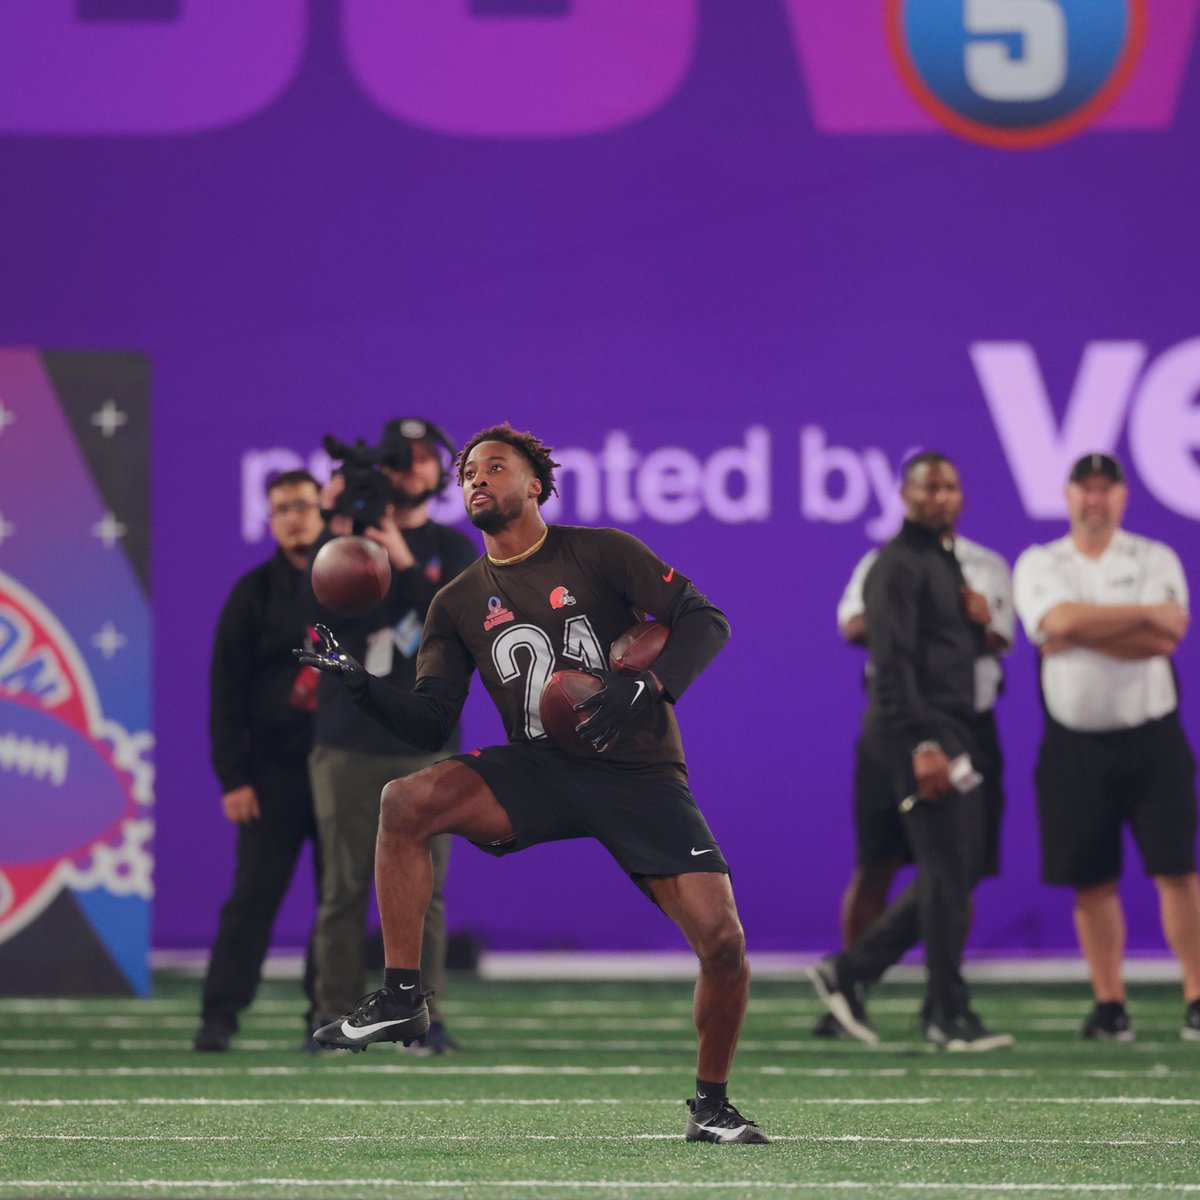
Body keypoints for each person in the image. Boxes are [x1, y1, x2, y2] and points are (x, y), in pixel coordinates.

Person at [297, 423, 770, 1145]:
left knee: (725, 943)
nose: (476, 480)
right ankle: (402, 994)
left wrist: (644, 689)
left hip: (635, 767)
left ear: (536, 485)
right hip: (541, 766)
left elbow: (707, 619)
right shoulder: (456, 599)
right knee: (406, 801)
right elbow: (429, 721)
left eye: (495, 467)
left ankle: (711, 1106)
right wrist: (362, 686)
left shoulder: (601, 551)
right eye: (468, 473)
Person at [807, 452, 1013, 1051]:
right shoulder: (895, 565)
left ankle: (861, 975)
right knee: (944, 870)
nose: (941, 496)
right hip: (921, 729)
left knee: (955, 870)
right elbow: (891, 663)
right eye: (929, 487)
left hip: (956, 726)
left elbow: (968, 647)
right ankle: (940, 1011)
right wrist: (923, 742)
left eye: (950, 485)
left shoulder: (946, 563)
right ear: (905, 495)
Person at [1013, 452, 1200, 1041]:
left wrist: (1081, 631)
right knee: (1090, 878)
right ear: (1068, 496)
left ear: (1121, 497)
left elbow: (1166, 633)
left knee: (1178, 869)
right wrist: (1135, 620)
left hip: (1153, 737)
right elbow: (1056, 621)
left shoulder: (1153, 556)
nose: (1095, 499)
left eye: (1106, 489)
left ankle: (1197, 995)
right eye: (1085, 488)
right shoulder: (1041, 561)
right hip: (1074, 745)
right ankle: (1109, 1001)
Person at [307, 418, 477, 1053]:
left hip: (425, 739)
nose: (411, 470)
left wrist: (404, 566)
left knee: (425, 891)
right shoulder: (343, 538)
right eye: (397, 460)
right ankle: (331, 1014)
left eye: (423, 459)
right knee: (344, 889)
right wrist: (335, 533)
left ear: (441, 472)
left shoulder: (452, 547)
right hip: (349, 736)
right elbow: (312, 612)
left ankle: (422, 1017)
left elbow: (456, 625)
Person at [195, 469, 326, 1052]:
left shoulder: (352, 582)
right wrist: (233, 776)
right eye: (281, 508)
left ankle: (325, 1016)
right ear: (269, 520)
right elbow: (226, 690)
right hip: (272, 775)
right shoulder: (251, 593)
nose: (293, 516)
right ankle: (219, 1016)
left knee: (339, 901)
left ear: (324, 511)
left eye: (302, 504)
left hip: (342, 769)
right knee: (252, 898)